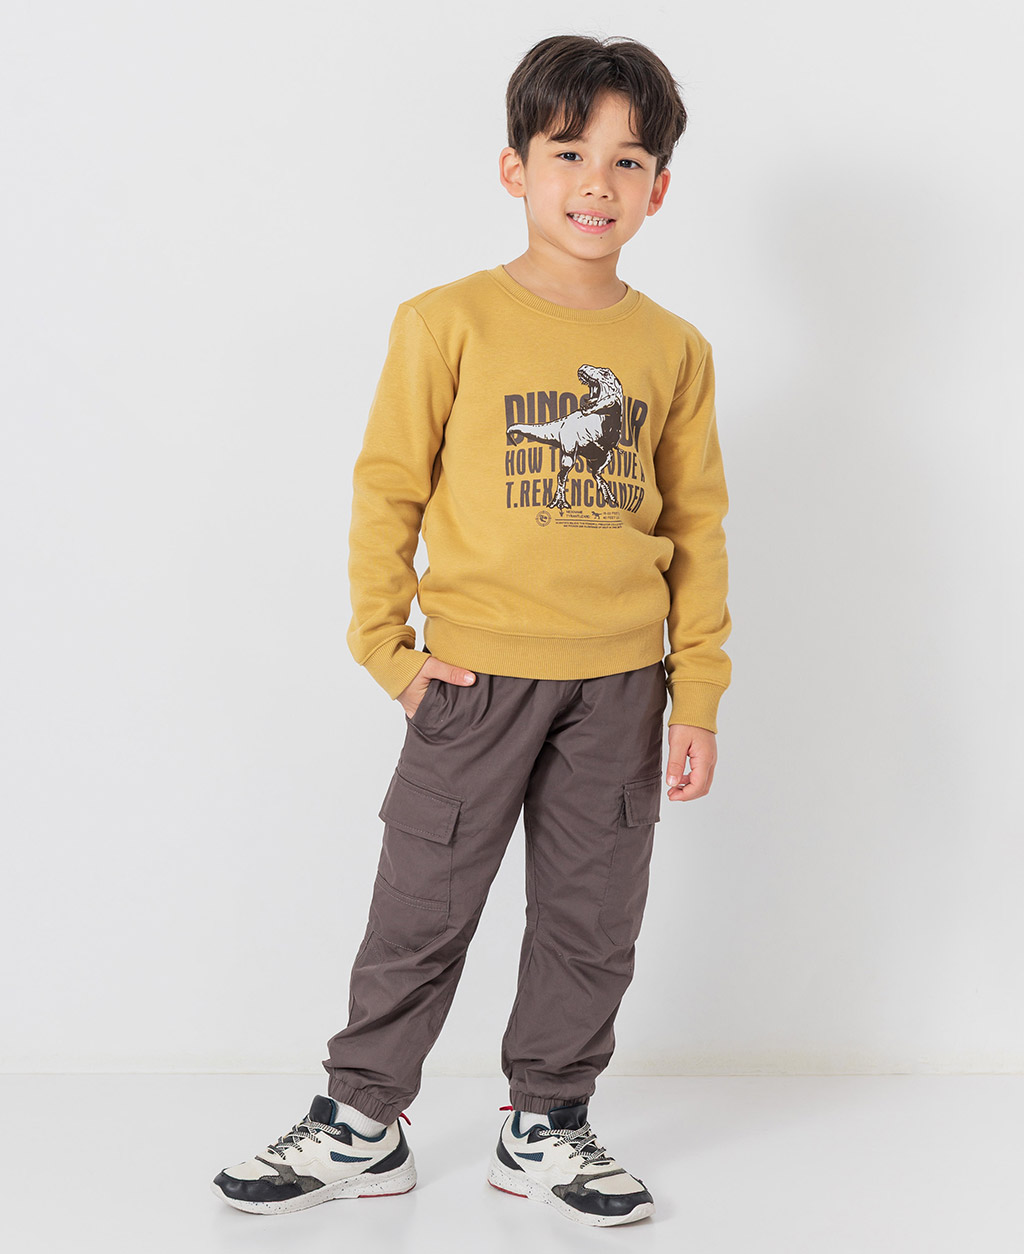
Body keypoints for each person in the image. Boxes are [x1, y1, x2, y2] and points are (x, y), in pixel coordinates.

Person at [211, 32, 732, 1229]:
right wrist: (388, 652)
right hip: (470, 679)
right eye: (568, 152)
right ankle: (362, 1120)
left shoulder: (673, 350)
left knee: (591, 921)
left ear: (659, 189)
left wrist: (695, 694)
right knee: (420, 911)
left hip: (622, 688)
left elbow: (697, 528)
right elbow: (386, 491)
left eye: (628, 161)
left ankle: (546, 1121)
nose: (596, 183)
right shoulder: (445, 321)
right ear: (514, 170)